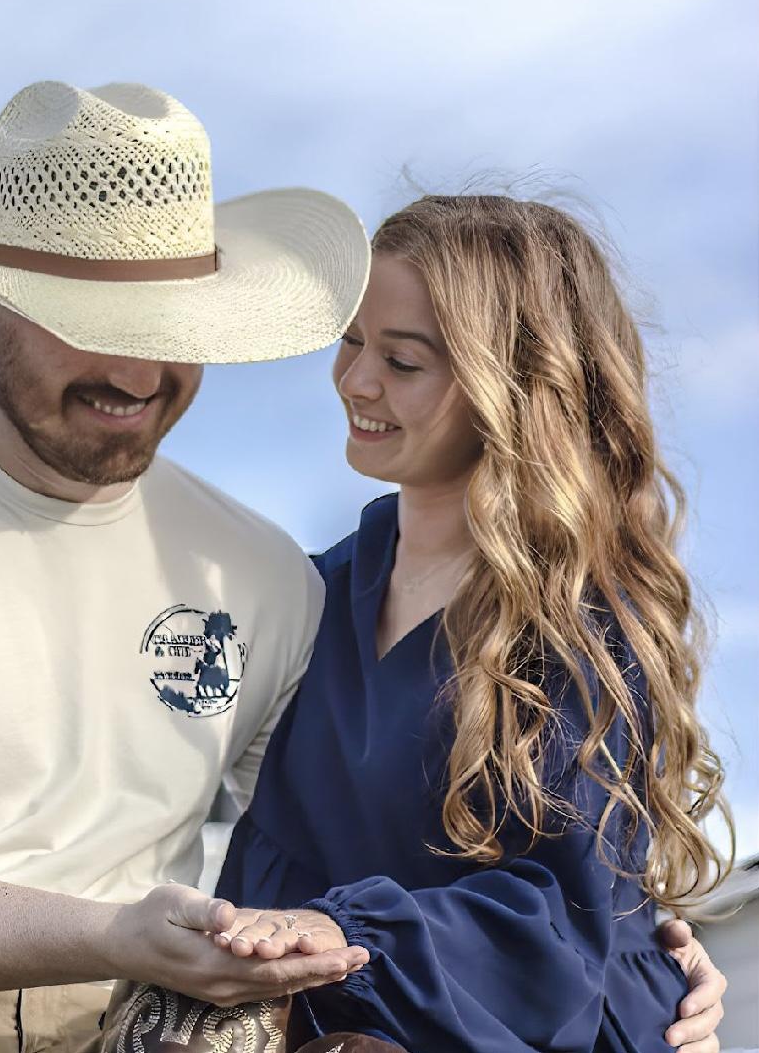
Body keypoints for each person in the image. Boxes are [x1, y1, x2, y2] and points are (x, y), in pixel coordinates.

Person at [0, 83, 723, 1053]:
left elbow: (383, 840)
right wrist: (123, 936)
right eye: (86, 325)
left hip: (139, 1015)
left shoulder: (265, 576)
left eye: (164, 327)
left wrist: (633, 952)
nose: (134, 370)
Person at [165, 195, 730, 1053]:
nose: (356, 381)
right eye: (351, 341)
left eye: (403, 361)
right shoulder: (307, 592)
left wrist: (339, 930)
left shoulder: (583, 623)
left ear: (513, 390)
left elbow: (565, 921)